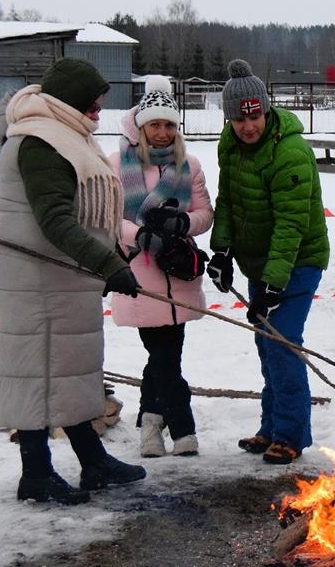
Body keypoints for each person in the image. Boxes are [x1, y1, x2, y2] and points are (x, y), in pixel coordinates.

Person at [0, 58, 146, 505]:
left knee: (71, 370)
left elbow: (82, 213)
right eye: (93, 102)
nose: (98, 110)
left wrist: (111, 255)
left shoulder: (64, 133)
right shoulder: (40, 142)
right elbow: (56, 219)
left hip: (64, 275)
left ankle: (93, 461)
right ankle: (36, 473)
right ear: (71, 100)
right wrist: (107, 264)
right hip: (36, 281)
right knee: (37, 372)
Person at [208, 59, 329, 465]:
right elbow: (228, 201)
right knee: (266, 343)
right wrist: (222, 250)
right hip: (261, 262)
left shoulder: (289, 152)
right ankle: (271, 426)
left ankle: (291, 434)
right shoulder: (230, 146)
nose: (248, 127)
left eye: (254, 116)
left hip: (299, 260)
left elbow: (291, 224)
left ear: (265, 109)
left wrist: (275, 283)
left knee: (283, 342)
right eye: (239, 119)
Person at [108, 76, 214, 458]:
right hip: (139, 271)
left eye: (169, 124)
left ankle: (150, 424)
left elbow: (205, 213)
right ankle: (183, 427)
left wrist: (183, 223)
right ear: (141, 126)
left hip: (177, 271)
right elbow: (107, 218)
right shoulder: (116, 165)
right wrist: (139, 235)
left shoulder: (190, 166)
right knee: (163, 356)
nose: (162, 132)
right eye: (155, 124)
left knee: (165, 357)